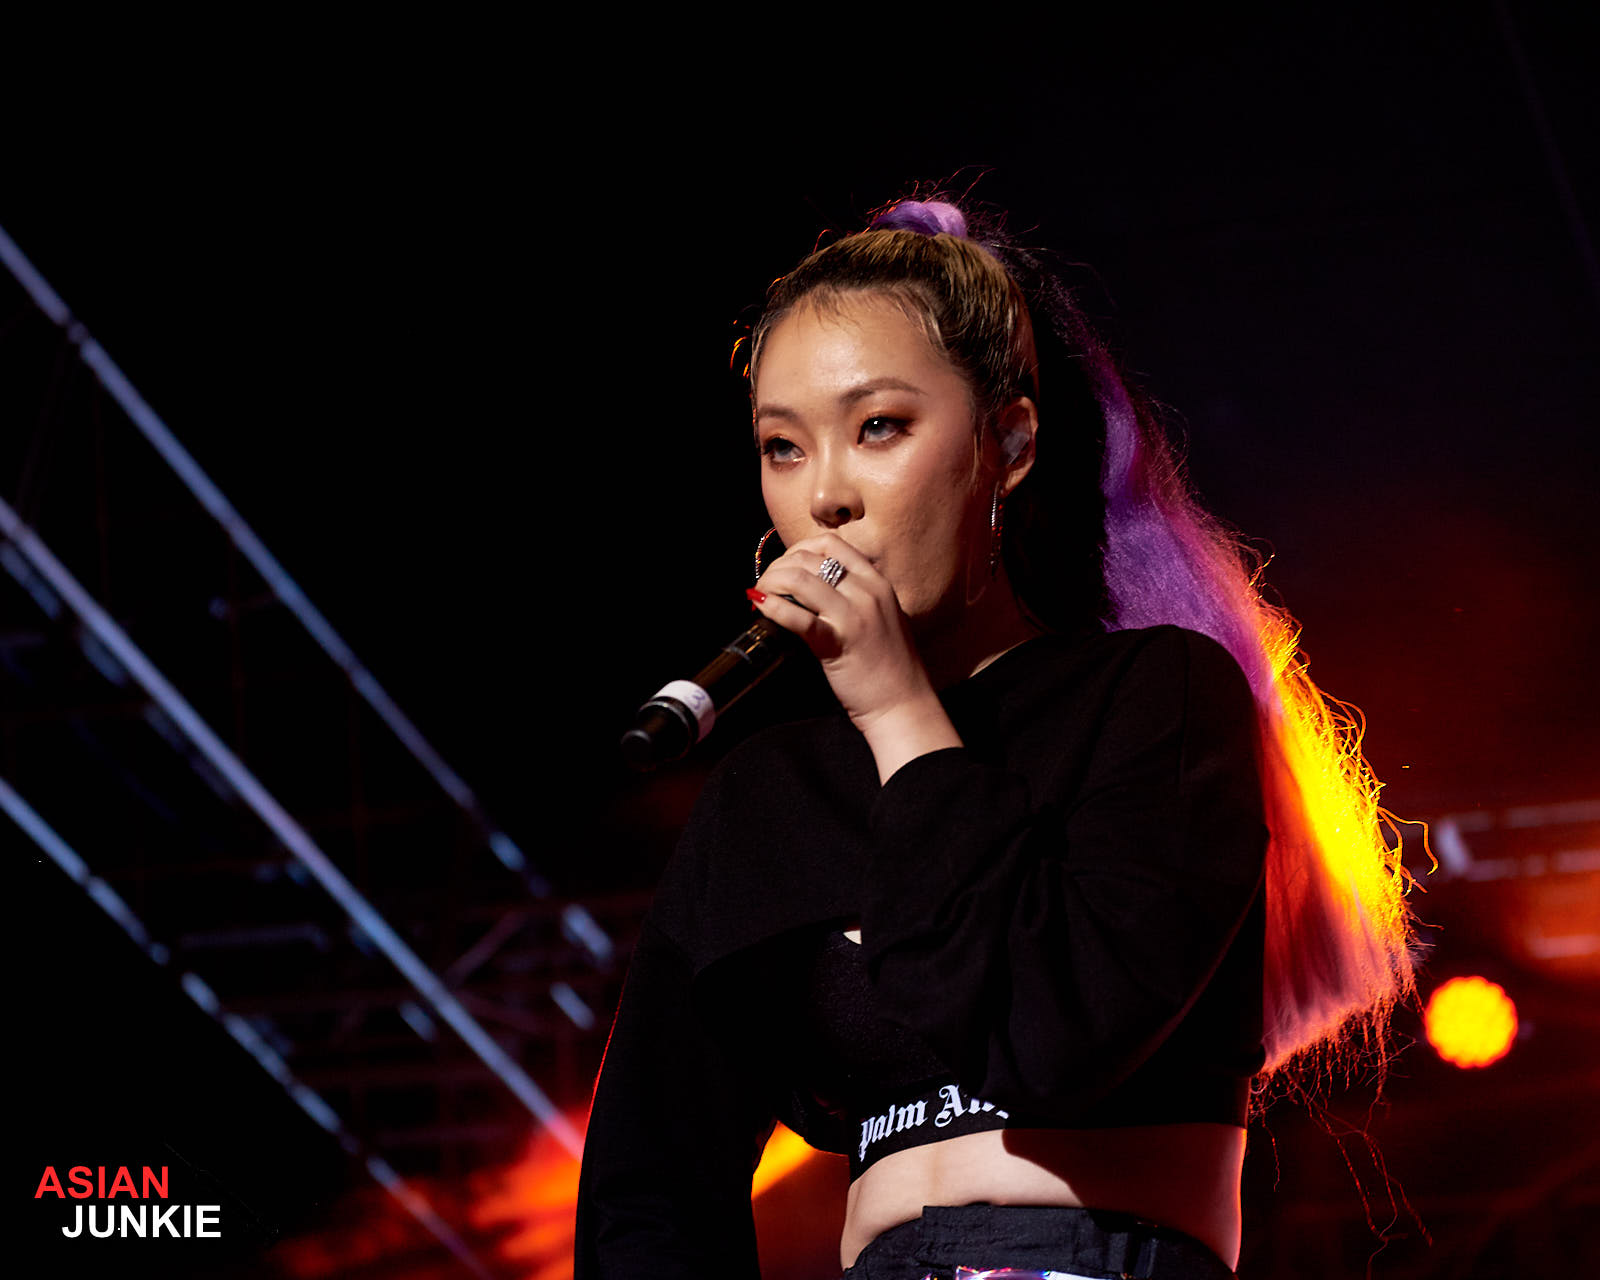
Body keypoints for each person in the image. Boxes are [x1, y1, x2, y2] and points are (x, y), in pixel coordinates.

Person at [574, 195, 1418, 1279]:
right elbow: (647, 1193)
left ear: (1007, 444)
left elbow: (1053, 1043)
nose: (825, 496)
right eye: (782, 447)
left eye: (879, 427)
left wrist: (898, 713)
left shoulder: (1151, 697)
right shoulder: (771, 793)